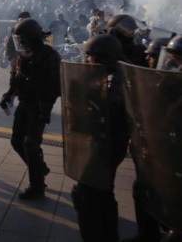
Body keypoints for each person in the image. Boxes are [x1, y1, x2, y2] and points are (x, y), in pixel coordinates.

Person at [71, 35, 129, 241]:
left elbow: (101, 114)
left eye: (90, 56)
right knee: (104, 192)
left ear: (101, 57)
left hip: (105, 147)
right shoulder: (114, 76)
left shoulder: (113, 84)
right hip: (109, 145)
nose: (87, 60)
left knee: (85, 195)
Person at [4, 18, 61, 200]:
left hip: (38, 106)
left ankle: (37, 187)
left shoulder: (49, 56)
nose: (20, 44)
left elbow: (55, 88)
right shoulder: (22, 56)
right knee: (16, 141)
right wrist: (9, 94)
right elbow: (16, 77)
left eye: (22, 40)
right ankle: (39, 167)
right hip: (24, 103)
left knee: (30, 144)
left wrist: (45, 111)